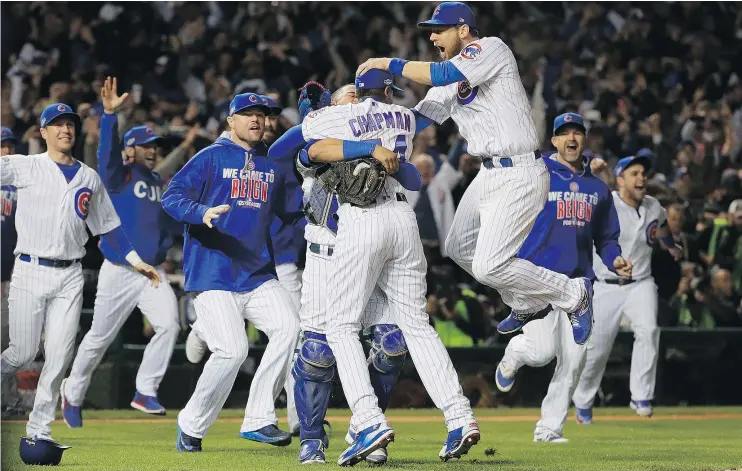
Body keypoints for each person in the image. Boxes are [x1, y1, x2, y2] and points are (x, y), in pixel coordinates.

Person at [357, 1, 594, 345]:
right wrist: (371, 123)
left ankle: (573, 293)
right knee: (457, 247)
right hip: (489, 174)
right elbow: (419, 120)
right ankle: (525, 300)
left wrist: (387, 62)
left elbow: (441, 75)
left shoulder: (490, 48)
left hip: (520, 171)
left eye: (440, 29)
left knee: (488, 266)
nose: (434, 36)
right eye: (431, 31)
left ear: (464, 30)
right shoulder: (448, 76)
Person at [302, 70, 479, 466]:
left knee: (340, 325)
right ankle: (459, 416)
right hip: (403, 219)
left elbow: (308, 144)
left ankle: (367, 420)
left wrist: (354, 142)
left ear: (358, 92)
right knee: (416, 325)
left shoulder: (339, 114)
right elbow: (412, 176)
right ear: (386, 91)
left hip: (363, 218)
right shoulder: (404, 116)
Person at [0, 103, 160, 451]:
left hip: (69, 276)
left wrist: (136, 261)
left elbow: (110, 227)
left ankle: (40, 429)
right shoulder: (25, 166)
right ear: (42, 133)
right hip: (28, 269)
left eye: (69, 124)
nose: (65, 129)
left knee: (59, 356)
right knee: (22, 353)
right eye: (56, 124)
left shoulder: (89, 176)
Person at [267, 82, 409, 465]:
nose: (357, 104)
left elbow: (413, 180)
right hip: (327, 256)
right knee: (317, 351)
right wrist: (315, 119)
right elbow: (278, 150)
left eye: (360, 100)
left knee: (392, 344)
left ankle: (367, 428)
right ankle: (311, 439)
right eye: (349, 97)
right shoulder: (315, 143)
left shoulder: (381, 138)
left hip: (372, 254)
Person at [161, 93, 301, 452]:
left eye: (262, 114)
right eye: (248, 114)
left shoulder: (270, 166)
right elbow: (171, 196)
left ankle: (258, 418)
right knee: (233, 350)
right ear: (230, 121)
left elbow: (294, 210)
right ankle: (191, 425)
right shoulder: (209, 157)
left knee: (289, 327)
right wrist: (200, 212)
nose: (257, 120)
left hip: (257, 273)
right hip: (213, 273)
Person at [494, 113, 631, 442]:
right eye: (564, 134)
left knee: (574, 360)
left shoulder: (597, 188)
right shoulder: (537, 175)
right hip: (537, 281)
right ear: (554, 141)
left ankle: (549, 428)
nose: (571, 138)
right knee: (540, 353)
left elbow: (607, 239)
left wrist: (616, 261)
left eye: (577, 133)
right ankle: (513, 356)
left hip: (578, 285)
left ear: (584, 140)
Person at [60, 77, 181, 426]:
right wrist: (110, 117)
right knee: (99, 337)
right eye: (146, 145)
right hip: (120, 269)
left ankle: (145, 390)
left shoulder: (157, 181)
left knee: (170, 325)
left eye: (154, 145)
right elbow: (106, 153)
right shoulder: (119, 176)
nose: (153, 149)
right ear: (131, 149)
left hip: (151, 272)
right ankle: (74, 392)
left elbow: (166, 226)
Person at [572, 154, 682, 422]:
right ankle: (583, 400)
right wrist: (589, 172)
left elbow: (663, 227)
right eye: (634, 173)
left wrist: (670, 246)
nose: (641, 177)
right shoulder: (606, 203)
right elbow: (579, 197)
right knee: (597, 350)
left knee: (649, 330)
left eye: (643, 172)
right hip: (606, 286)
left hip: (640, 283)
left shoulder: (654, 206)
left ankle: (641, 395)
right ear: (620, 180)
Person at [0, 126, 25, 419]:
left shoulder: (22, 182)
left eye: (9, 145)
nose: (6, 150)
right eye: (1, 146)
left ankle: (11, 402)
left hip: (13, 275)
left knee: (9, 343)